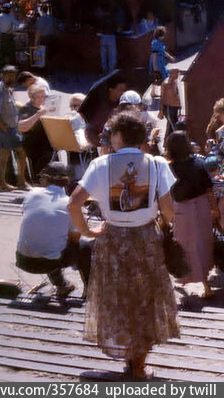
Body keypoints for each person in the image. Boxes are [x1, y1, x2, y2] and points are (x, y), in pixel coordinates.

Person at [67, 112, 179, 380]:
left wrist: (88, 231)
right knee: (146, 299)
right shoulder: (156, 164)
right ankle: (138, 363)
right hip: (145, 239)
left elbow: (73, 204)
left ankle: (130, 357)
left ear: (118, 136)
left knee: (119, 299)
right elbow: (169, 210)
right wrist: (159, 221)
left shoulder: (101, 164)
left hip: (112, 238)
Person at [15, 162, 90, 299]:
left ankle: (62, 285)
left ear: (46, 179)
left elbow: (29, 217)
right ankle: (88, 290)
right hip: (48, 262)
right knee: (84, 245)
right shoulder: (69, 203)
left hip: (23, 259)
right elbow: (76, 237)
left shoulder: (32, 193)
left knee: (50, 240)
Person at [165, 131, 215, 299]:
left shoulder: (169, 168)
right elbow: (209, 190)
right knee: (203, 243)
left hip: (182, 209)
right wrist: (214, 209)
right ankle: (206, 285)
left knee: (186, 245)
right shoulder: (199, 163)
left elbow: (165, 193)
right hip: (202, 206)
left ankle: (184, 277)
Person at [0, 65, 30, 191]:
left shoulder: (9, 88)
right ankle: (21, 182)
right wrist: (4, 127)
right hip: (6, 128)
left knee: (5, 154)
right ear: (3, 75)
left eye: (14, 75)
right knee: (21, 152)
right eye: (10, 75)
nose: (13, 78)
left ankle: (2, 183)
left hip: (9, 127)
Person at [17, 83, 55, 179]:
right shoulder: (26, 108)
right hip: (34, 145)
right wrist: (37, 115)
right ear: (31, 97)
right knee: (40, 171)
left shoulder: (43, 107)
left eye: (43, 96)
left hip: (47, 143)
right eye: (39, 97)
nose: (42, 99)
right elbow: (21, 126)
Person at [158, 69, 183, 133]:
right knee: (174, 127)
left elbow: (177, 94)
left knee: (170, 128)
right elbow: (162, 97)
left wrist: (180, 105)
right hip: (169, 108)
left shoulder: (175, 82)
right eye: (176, 73)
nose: (178, 74)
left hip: (175, 108)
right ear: (171, 74)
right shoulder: (166, 84)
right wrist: (160, 110)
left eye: (178, 73)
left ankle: (168, 140)